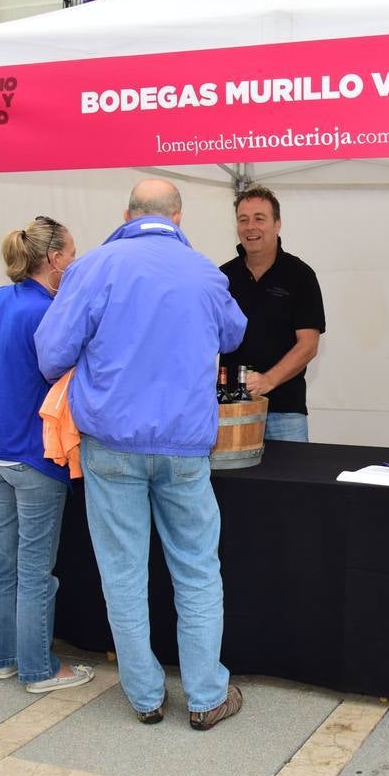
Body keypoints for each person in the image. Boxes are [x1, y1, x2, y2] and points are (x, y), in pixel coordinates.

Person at [33, 179, 248, 729]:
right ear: (177, 217)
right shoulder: (206, 271)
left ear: (127, 213)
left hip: (111, 446)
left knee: (122, 573)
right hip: (184, 448)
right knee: (198, 570)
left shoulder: (92, 268)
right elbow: (234, 334)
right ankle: (206, 698)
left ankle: (145, 697)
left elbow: (51, 354)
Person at [0, 216, 94, 693]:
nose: (75, 263)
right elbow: (64, 375)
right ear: (55, 259)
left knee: (1, 560)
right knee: (36, 570)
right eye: (73, 254)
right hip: (35, 457)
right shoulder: (50, 313)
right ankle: (38, 668)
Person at [219, 183, 326, 441]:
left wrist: (268, 380)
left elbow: (308, 345)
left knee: (288, 481)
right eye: (243, 220)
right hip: (231, 408)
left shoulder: (301, 275)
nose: (250, 227)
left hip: (285, 412)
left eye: (259, 218)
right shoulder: (222, 277)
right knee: (233, 482)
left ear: (277, 224)